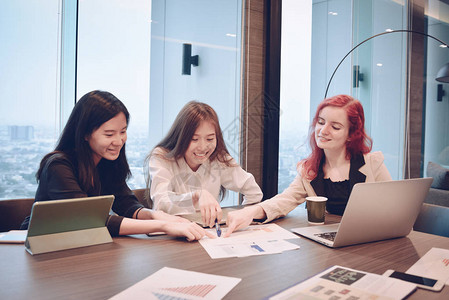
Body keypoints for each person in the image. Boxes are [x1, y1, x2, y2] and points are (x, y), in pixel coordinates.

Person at [20, 90, 213, 241]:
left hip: (82, 244)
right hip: (37, 247)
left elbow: (126, 204)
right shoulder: (59, 166)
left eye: (123, 131)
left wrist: (157, 216)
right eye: (109, 134)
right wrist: (162, 225)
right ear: (85, 134)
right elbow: (91, 221)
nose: (119, 141)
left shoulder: (107, 161)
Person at [224, 94, 392, 237]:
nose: (323, 130)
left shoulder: (372, 164)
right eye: (320, 122)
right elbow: (284, 200)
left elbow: (394, 210)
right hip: (329, 242)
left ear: (351, 135)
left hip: (369, 241)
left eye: (335, 126)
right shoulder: (308, 170)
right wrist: (250, 212)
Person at [146, 101, 263, 228]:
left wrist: (243, 216)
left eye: (210, 139)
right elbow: (161, 202)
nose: (202, 147)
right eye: (194, 139)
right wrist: (197, 195)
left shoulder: (218, 158)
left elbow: (254, 192)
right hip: (171, 235)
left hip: (209, 233)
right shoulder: (162, 157)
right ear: (180, 137)